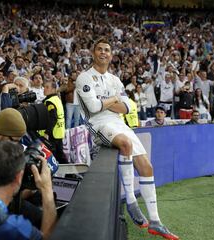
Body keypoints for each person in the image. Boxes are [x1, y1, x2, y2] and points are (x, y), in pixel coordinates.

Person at [76, 38, 179, 240]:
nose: (103, 52)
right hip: (98, 125)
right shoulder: (84, 77)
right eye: (99, 49)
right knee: (125, 143)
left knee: (147, 167)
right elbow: (94, 109)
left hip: (118, 122)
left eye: (107, 49)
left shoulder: (115, 80)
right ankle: (131, 201)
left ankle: (156, 222)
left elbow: (128, 107)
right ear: (93, 52)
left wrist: (108, 100)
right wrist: (115, 100)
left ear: (111, 55)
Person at [43, 81, 67, 164]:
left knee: (52, 154)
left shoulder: (50, 101)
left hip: (52, 133)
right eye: (44, 87)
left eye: (47, 87)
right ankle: (70, 172)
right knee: (60, 154)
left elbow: (53, 118)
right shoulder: (56, 98)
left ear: (53, 89)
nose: (44, 89)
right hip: (59, 131)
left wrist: (47, 133)